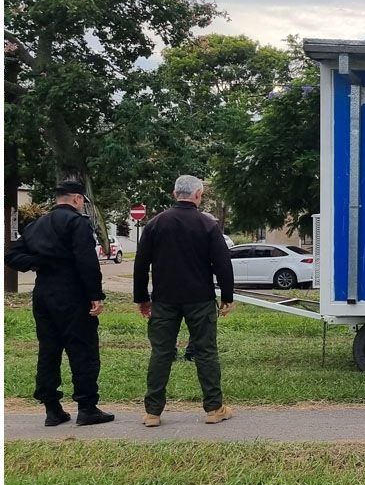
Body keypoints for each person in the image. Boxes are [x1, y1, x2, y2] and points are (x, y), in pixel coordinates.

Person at [4, 180, 114, 426]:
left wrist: (39, 262)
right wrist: (95, 295)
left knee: (48, 351)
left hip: (43, 294)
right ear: (77, 199)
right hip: (73, 294)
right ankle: (87, 407)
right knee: (82, 350)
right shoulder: (77, 223)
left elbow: (11, 255)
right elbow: (87, 262)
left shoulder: (36, 225)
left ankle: (52, 409)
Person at [133, 175, 236, 427]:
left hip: (164, 300)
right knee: (206, 352)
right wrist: (227, 296)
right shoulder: (208, 224)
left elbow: (140, 264)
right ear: (198, 195)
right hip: (200, 299)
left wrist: (142, 298)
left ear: (174, 193)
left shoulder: (155, 224)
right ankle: (214, 408)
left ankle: (153, 413)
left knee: (161, 352)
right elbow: (222, 263)